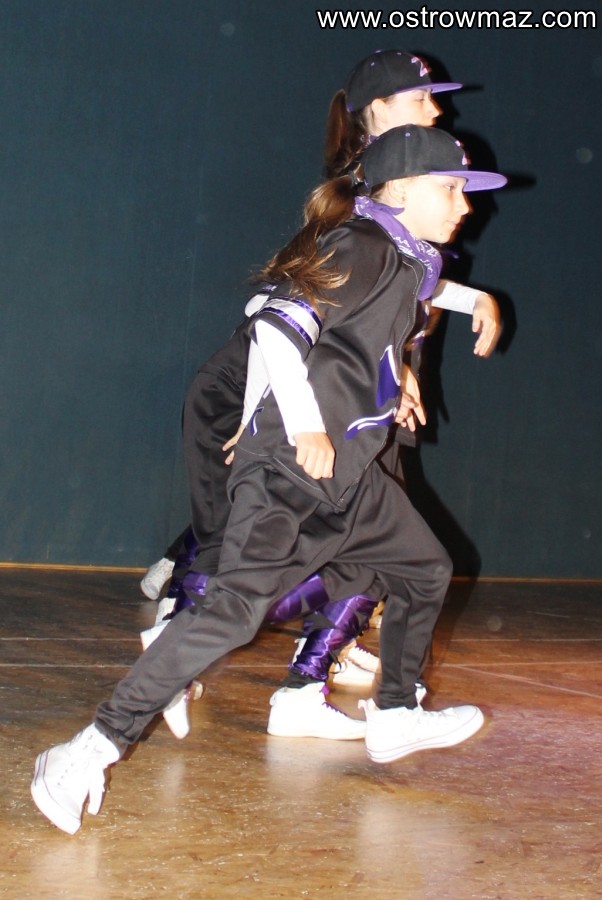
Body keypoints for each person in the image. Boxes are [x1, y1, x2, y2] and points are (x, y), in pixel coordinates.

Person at [31, 124, 507, 834]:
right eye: (452, 189)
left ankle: (396, 713)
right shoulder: (362, 245)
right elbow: (276, 324)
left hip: (351, 479)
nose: (465, 205)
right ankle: (86, 750)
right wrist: (305, 425)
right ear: (404, 189)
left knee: (424, 568)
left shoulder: (408, 256)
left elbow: (426, 294)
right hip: (292, 468)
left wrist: (477, 305)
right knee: (231, 613)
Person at [138, 50, 504, 741]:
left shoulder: (396, 221)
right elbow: (279, 321)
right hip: (278, 396)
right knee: (268, 557)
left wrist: (452, 316)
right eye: (422, 99)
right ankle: (183, 639)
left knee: (383, 549)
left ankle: (308, 681)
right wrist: (269, 413)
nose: (437, 110)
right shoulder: (358, 215)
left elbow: (401, 297)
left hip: (343, 406)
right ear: (380, 114)